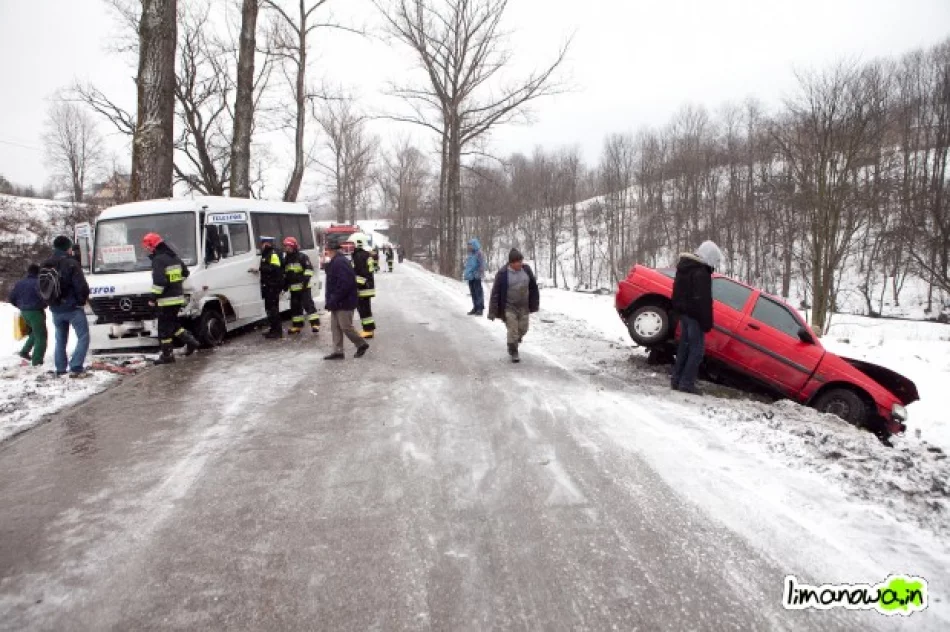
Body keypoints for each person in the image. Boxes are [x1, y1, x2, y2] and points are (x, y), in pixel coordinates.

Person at [670, 240, 723, 395]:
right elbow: (703, 301)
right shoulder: (701, 272)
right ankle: (686, 383)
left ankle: (676, 379)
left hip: (685, 314)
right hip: (695, 317)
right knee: (696, 351)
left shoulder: (685, 267)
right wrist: (706, 322)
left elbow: (678, 293)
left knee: (684, 347)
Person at [142, 233, 200, 365]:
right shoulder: (173, 257)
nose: (146, 250)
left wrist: (152, 298)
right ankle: (191, 342)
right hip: (177, 298)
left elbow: (160, 282)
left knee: (163, 328)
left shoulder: (158, 260)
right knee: (172, 324)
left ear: (152, 247)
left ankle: (167, 355)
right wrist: (175, 284)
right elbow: (185, 273)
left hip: (165, 300)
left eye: (147, 247)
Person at [41, 236, 91, 378]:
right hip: (73, 307)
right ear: (67, 248)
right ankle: (76, 366)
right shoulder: (71, 263)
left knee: (60, 339)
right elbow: (80, 285)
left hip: (56, 308)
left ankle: (61, 368)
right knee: (83, 336)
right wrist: (81, 300)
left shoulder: (46, 263)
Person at [488, 248, 540, 363]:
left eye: (521, 261)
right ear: (511, 263)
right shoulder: (503, 274)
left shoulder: (526, 270)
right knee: (513, 330)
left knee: (523, 329)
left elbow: (533, 287)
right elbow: (495, 293)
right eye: (518, 262)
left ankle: (515, 340)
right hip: (509, 307)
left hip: (524, 306)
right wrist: (492, 311)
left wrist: (534, 303)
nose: (520, 264)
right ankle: (513, 350)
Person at [323, 240, 369, 360]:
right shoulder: (335, 261)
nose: (326, 252)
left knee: (345, 327)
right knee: (335, 327)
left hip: (344, 302)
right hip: (337, 301)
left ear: (333, 250)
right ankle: (338, 351)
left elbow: (345, 284)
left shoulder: (340, 262)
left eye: (327, 250)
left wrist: (334, 299)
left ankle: (361, 344)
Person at [8, 264, 47, 367]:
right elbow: (44, 297)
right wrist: (44, 305)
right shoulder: (38, 283)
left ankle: (24, 351)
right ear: (38, 272)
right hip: (36, 311)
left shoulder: (20, 283)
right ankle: (37, 361)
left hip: (24, 312)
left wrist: (20, 305)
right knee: (41, 336)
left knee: (35, 332)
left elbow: (11, 297)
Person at [282, 236, 320, 334]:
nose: (287, 248)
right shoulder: (286, 259)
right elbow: (286, 273)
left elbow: (308, 270)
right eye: (285, 246)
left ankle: (315, 324)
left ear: (293, 246)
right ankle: (297, 326)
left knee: (308, 305)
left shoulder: (302, 257)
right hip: (293, 289)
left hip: (304, 287)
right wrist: (285, 284)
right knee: (295, 308)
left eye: (288, 246)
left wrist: (305, 281)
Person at [257, 235, 284, 339]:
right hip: (269, 286)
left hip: (272, 286)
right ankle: (273, 329)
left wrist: (262, 268)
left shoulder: (272, 254)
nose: (262, 245)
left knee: (273, 309)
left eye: (263, 243)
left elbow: (276, 268)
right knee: (269, 309)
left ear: (267, 243)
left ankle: (277, 332)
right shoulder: (267, 253)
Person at [350, 234, 376, 339]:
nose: (351, 246)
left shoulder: (358, 256)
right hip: (367, 286)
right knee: (366, 309)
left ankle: (368, 330)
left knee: (364, 309)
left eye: (352, 244)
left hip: (363, 287)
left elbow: (361, 273)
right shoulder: (365, 254)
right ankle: (369, 329)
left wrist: (355, 282)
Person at [463, 238, 486, 315]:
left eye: (470, 245)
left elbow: (482, 265)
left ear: (474, 245)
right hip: (470, 277)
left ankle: (480, 309)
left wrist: (478, 273)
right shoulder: (470, 254)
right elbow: (468, 265)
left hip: (476, 276)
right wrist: (466, 274)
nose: (469, 247)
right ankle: (475, 307)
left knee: (478, 292)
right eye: (468, 245)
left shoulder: (479, 253)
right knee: (473, 293)